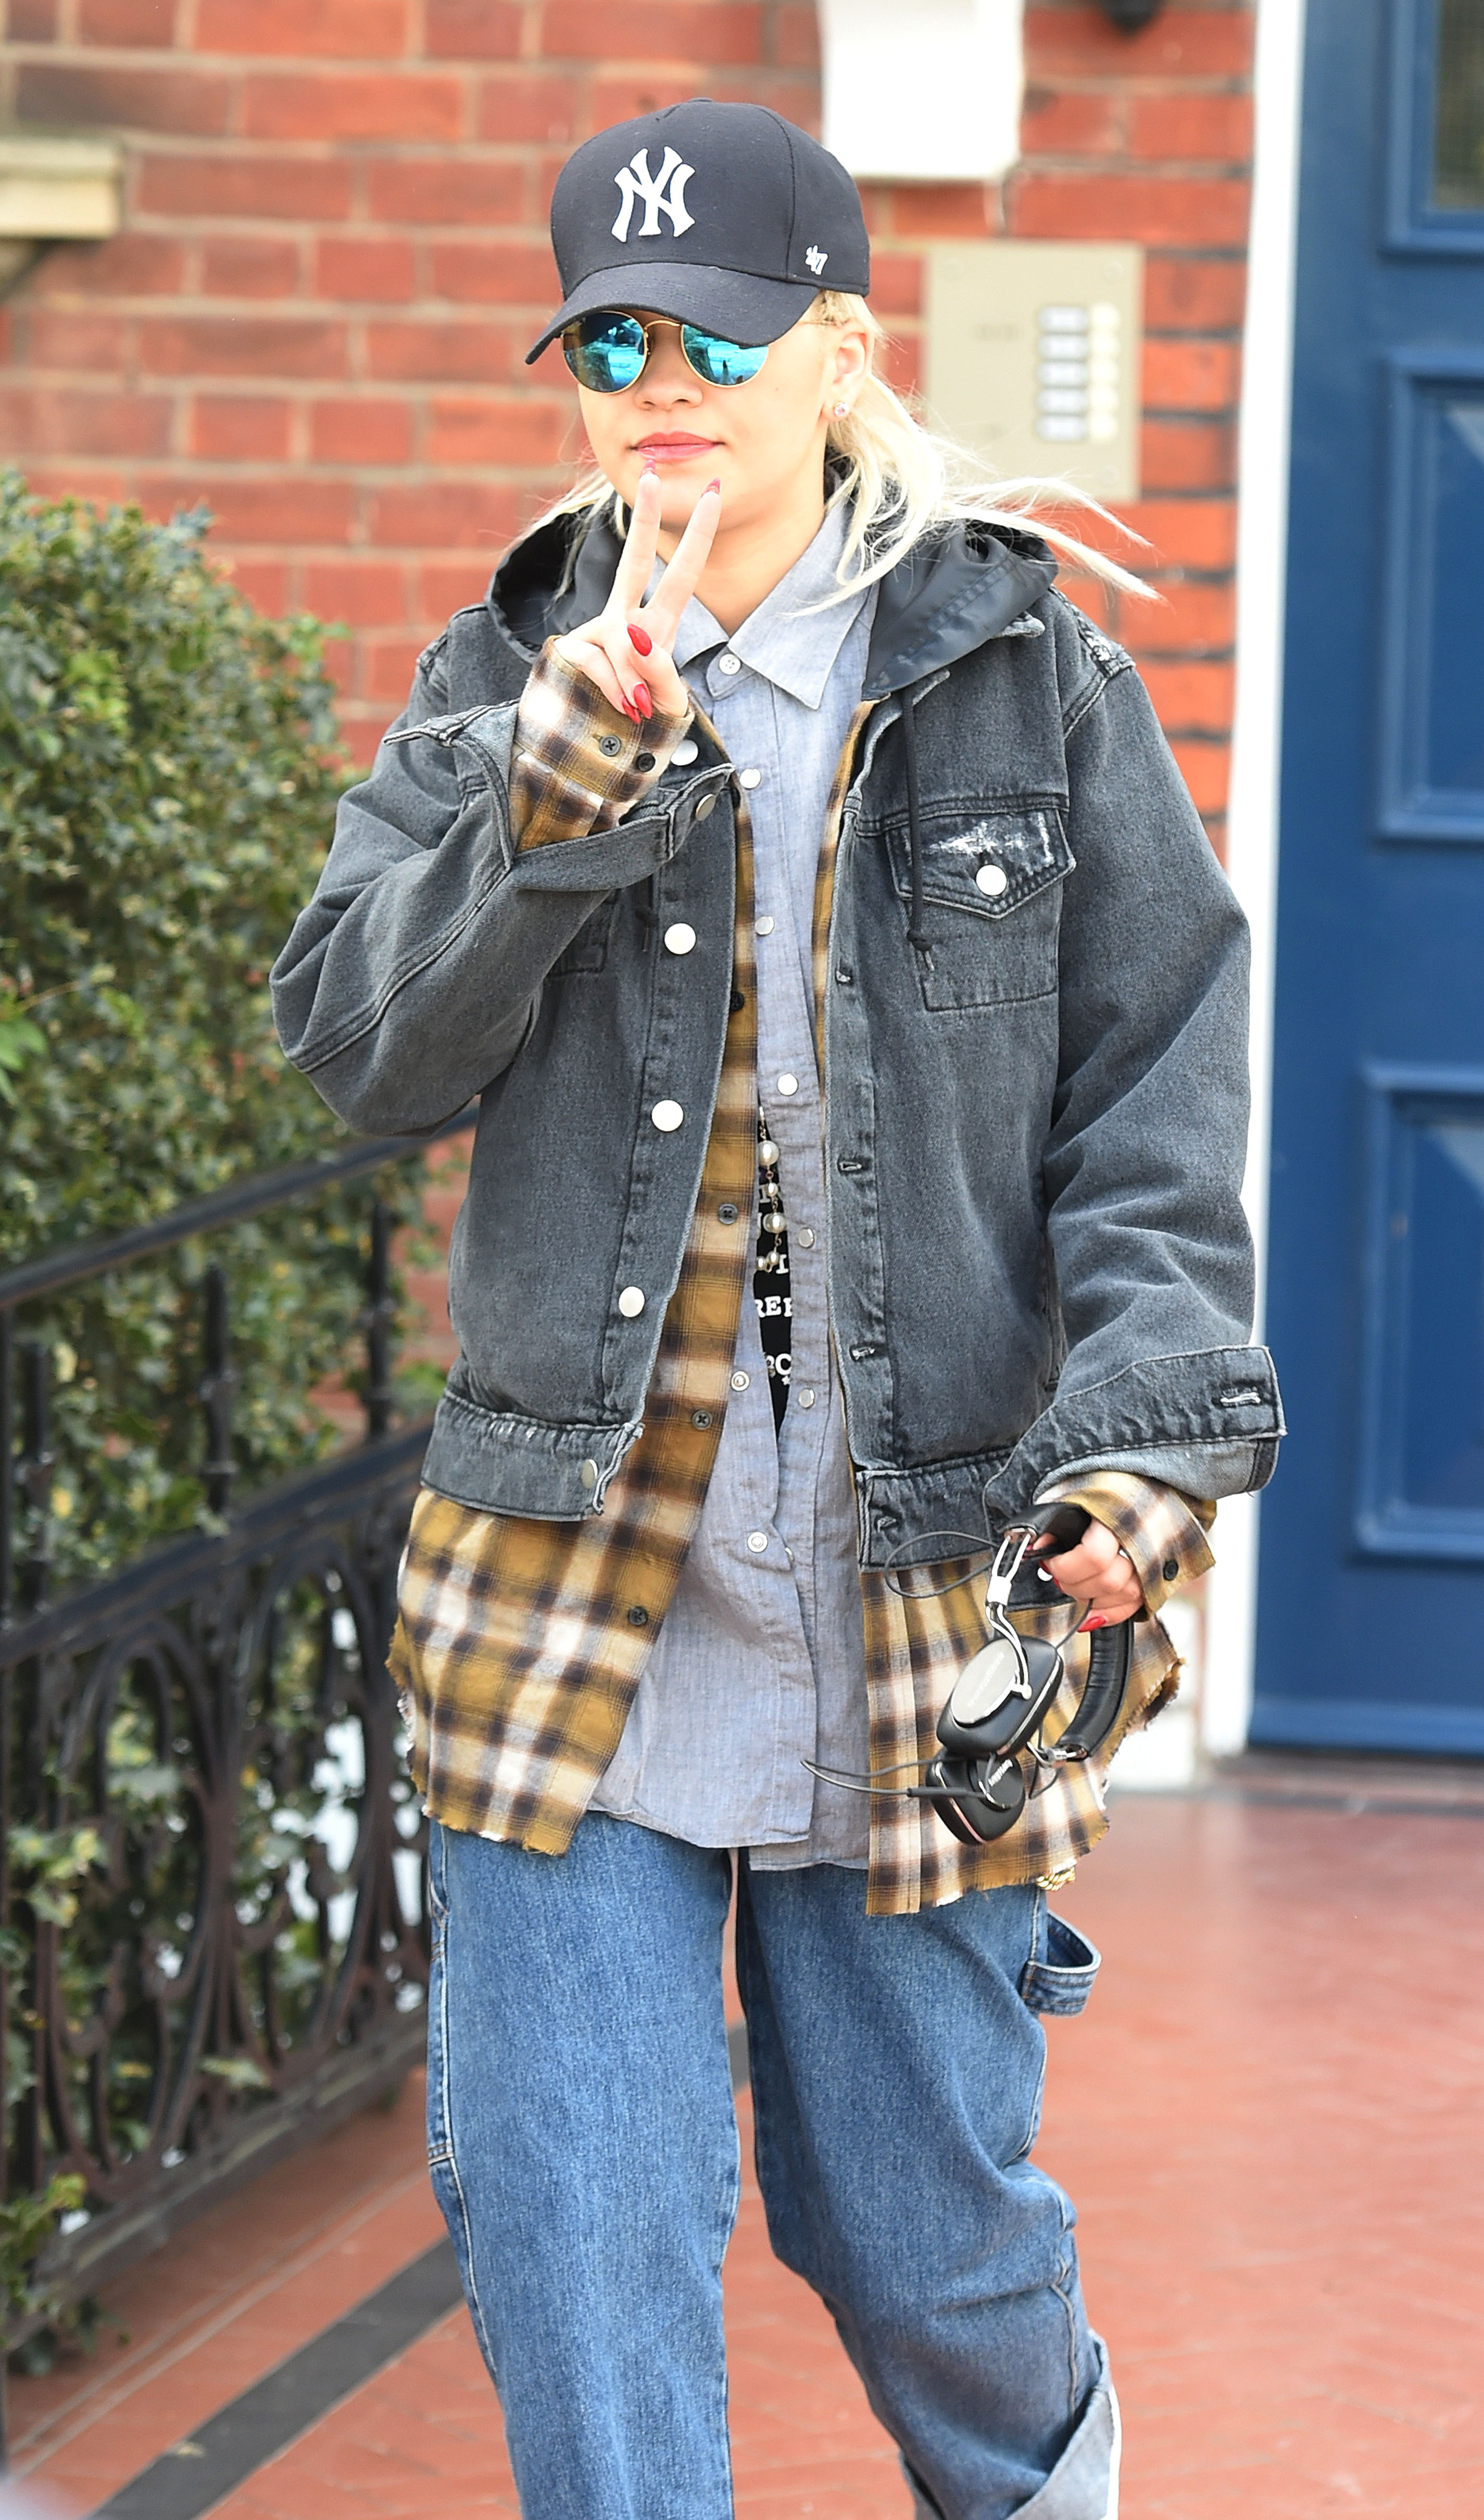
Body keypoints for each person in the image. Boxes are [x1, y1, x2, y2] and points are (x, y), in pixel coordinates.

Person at [272, 99, 1282, 2520]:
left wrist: (1137, 1449)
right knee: (579, 2225)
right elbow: (357, 1048)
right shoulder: (503, 677)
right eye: (611, 344)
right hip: (572, 1601)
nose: (661, 389)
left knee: (911, 2230)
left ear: (839, 352)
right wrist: (546, 805)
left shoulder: (1023, 679)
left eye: (715, 341)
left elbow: (1149, 1100)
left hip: (922, 1593)